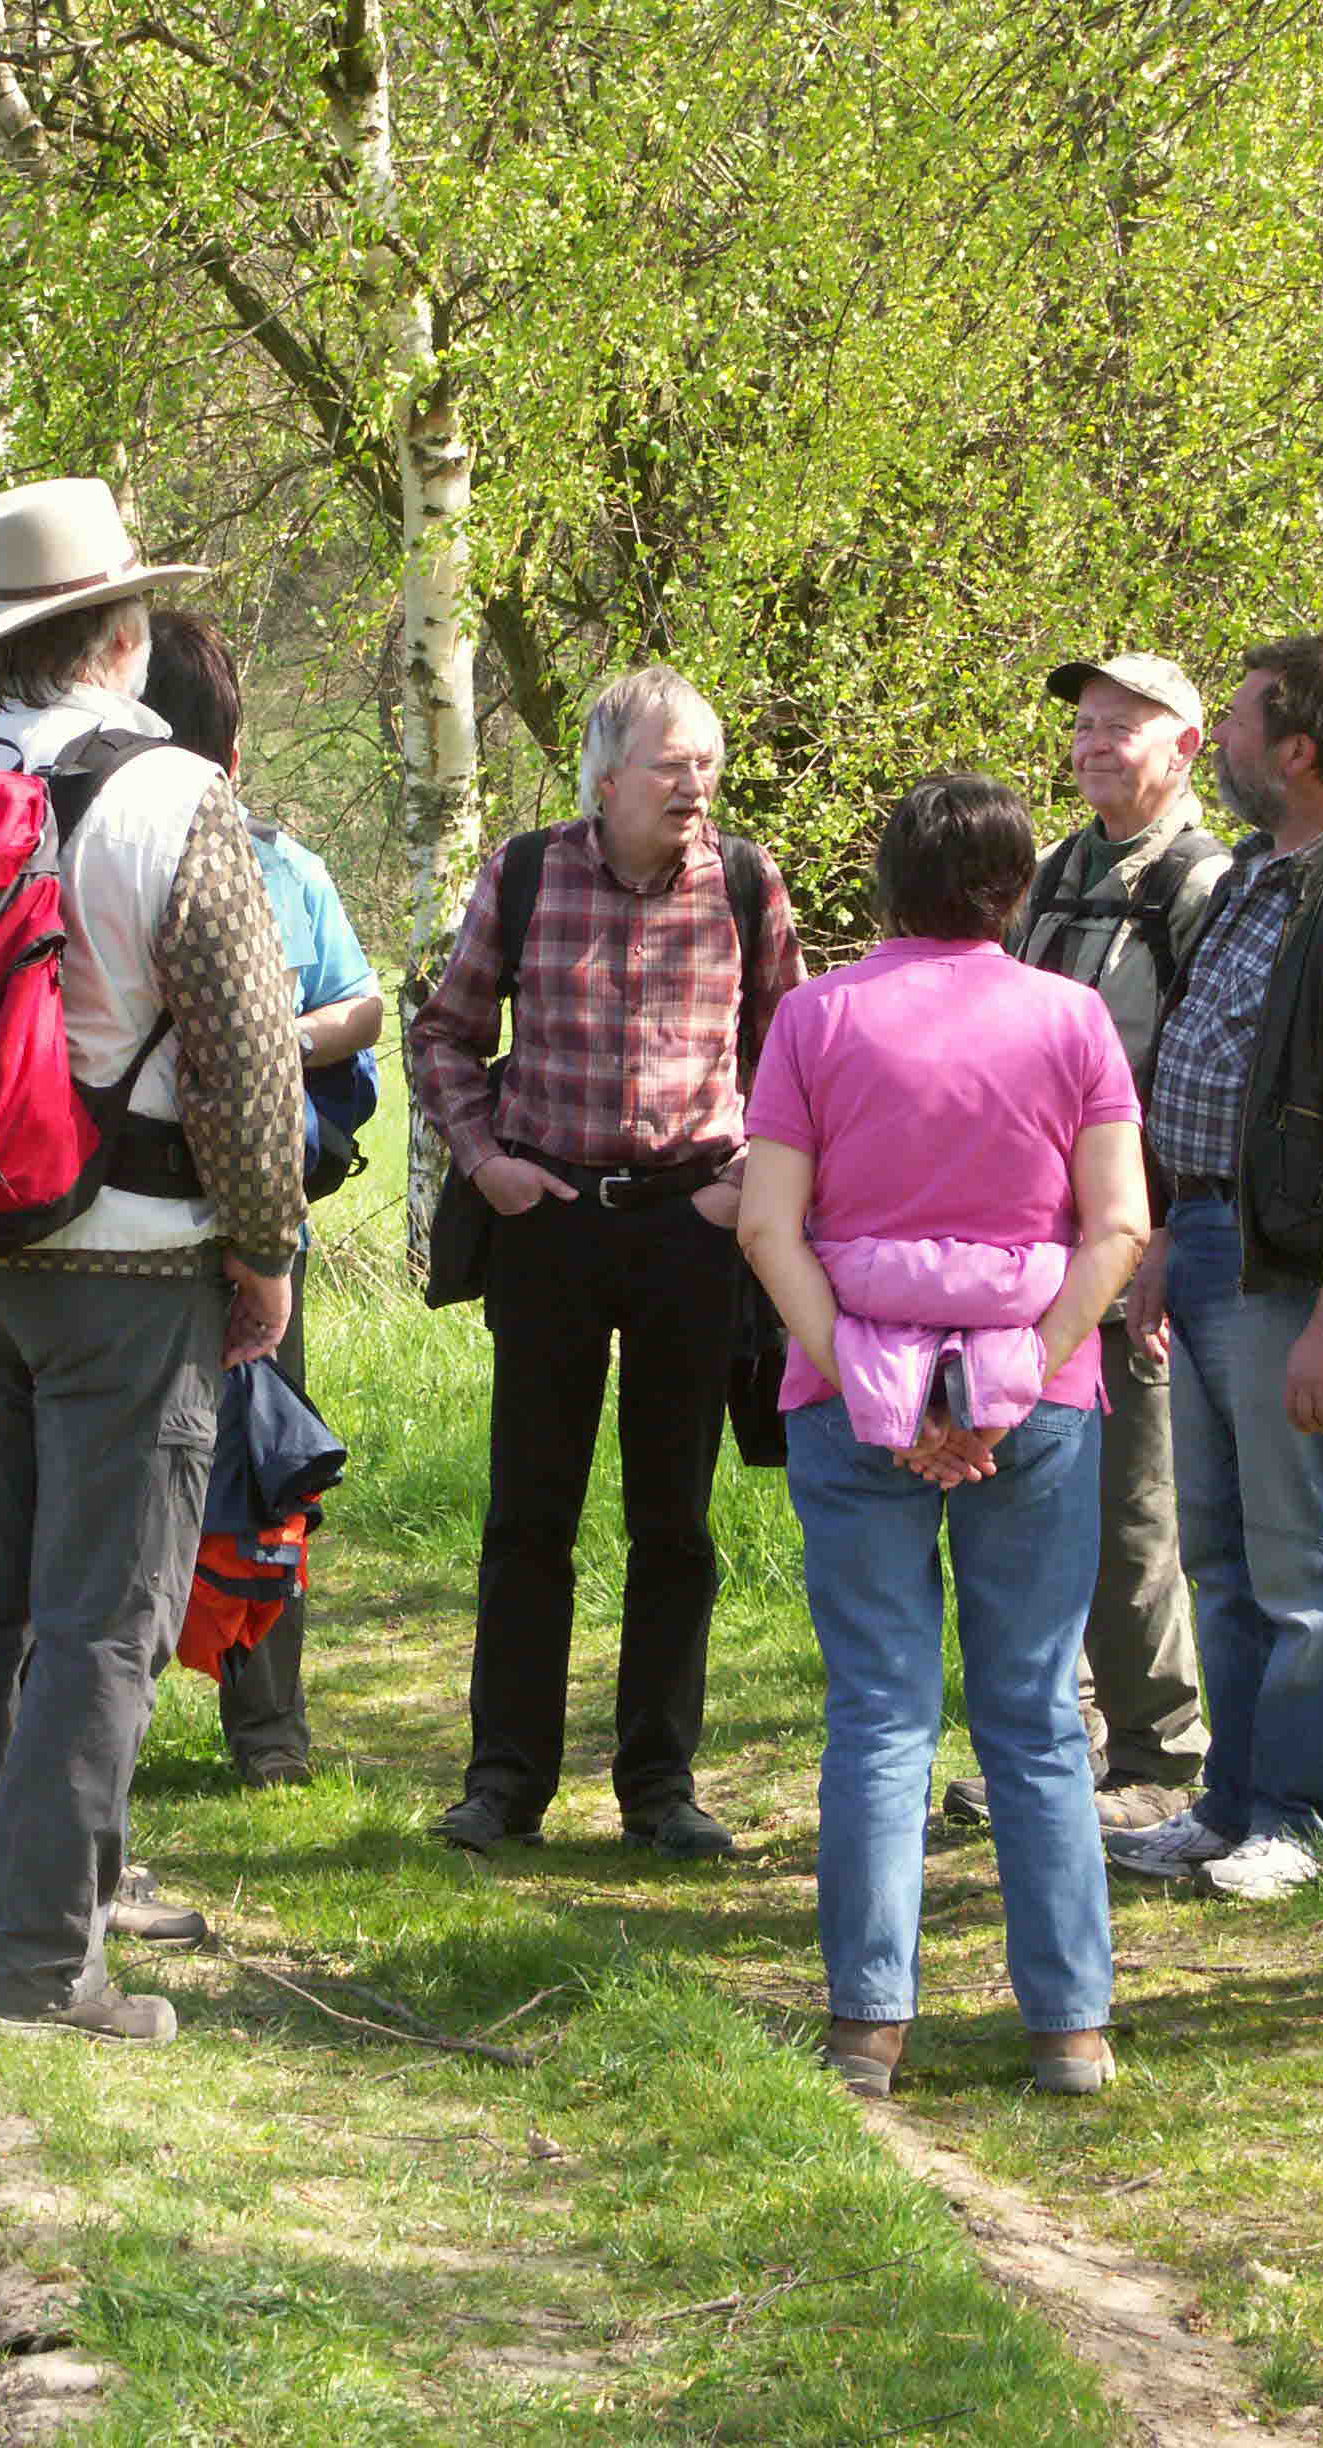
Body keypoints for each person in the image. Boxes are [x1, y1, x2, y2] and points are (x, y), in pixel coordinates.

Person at [0, 478, 305, 2044]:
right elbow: (249, 1054)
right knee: (104, 1618)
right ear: (123, 638)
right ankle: (47, 1969)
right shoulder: (176, 797)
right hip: (131, 1262)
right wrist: (267, 1251)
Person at [738, 772, 1148, 2097]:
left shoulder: (817, 1016)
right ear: (1016, 888)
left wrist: (870, 1379)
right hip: (1035, 1403)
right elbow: (1119, 1227)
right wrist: (1020, 1371)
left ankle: (869, 2025)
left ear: (885, 880)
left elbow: (766, 1225)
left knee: (879, 1712)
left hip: (853, 1398)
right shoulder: (1073, 1019)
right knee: (1031, 1713)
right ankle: (1070, 2028)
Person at [407, 665, 806, 1861]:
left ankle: (659, 1787)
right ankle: (506, 1783)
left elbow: (796, 1052)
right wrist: (486, 1164)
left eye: (709, 764)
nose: (699, 786)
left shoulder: (746, 880)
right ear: (609, 774)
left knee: (674, 1522)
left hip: (694, 1227)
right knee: (531, 1512)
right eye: (676, 763)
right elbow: (445, 1035)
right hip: (552, 1221)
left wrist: (748, 1190)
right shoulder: (528, 872)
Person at [1103, 633, 1323, 1907]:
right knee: (1218, 1552)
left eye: (1234, 724)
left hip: (1297, 1264)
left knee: (1307, 1561)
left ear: (1298, 748)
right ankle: (1229, 1802)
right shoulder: (1248, 877)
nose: (1217, 744)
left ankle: (1305, 1818)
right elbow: (1199, 1063)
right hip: (1208, 1241)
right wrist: (1165, 1231)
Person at [946, 652, 1224, 1837]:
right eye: (1087, 726)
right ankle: (1057, 1741)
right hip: (1033, 1250)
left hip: (1138, 1245)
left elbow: (1214, 1072)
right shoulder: (1056, 874)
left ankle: (1160, 1754)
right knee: (1033, 1491)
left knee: (1134, 1504)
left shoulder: (1207, 884)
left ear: (1187, 750)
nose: (1096, 742)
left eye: (1126, 726)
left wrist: (1161, 1230)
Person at [138, 605, 382, 1789]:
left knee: (268, 1463)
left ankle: (269, 1739)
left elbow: (362, 1008)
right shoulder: (123, 850)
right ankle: (102, 1721)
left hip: (251, 1219)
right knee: (125, 1477)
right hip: (157, 1224)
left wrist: (266, 1034)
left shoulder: (289, 867)